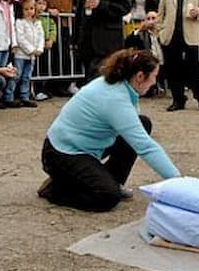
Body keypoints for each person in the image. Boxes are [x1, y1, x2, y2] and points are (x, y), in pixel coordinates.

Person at [39, 48, 180, 212]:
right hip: (62, 154)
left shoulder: (120, 85)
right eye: (154, 76)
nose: (155, 82)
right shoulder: (114, 97)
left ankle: (112, 181)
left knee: (143, 123)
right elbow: (145, 147)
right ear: (140, 76)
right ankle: (55, 190)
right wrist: (179, 181)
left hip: (85, 146)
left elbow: (134, 130)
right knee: (107, 197)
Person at [7, 0, 44, 108]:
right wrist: (31, 49)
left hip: (32, 56)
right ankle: (9, 96)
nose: (29, 11)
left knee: (27, 76)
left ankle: (25, 97)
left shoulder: (37, 23)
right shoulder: (20, 22)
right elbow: (21, 38)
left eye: (31, 8)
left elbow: (41, 36)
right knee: (16, 75)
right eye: (26, 9)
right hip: (21, 54)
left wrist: (39, 49)